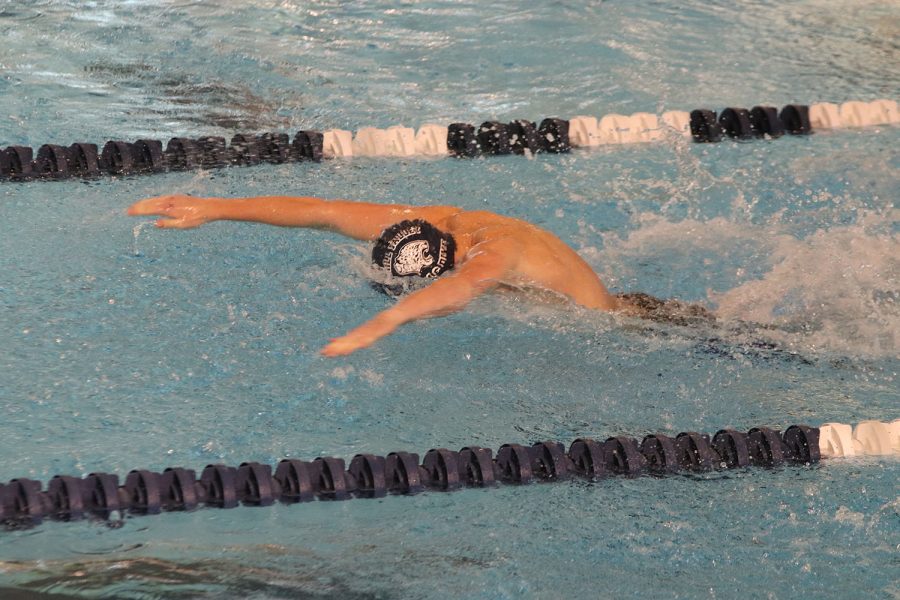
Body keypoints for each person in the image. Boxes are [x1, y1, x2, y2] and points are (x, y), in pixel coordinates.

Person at [128, 194, 711, 356]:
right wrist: (213, 206)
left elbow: (459, 292)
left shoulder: (492, 255)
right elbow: (327, 214)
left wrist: (381, 324)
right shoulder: (453, 222)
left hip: (625, 330)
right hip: (625, 305)